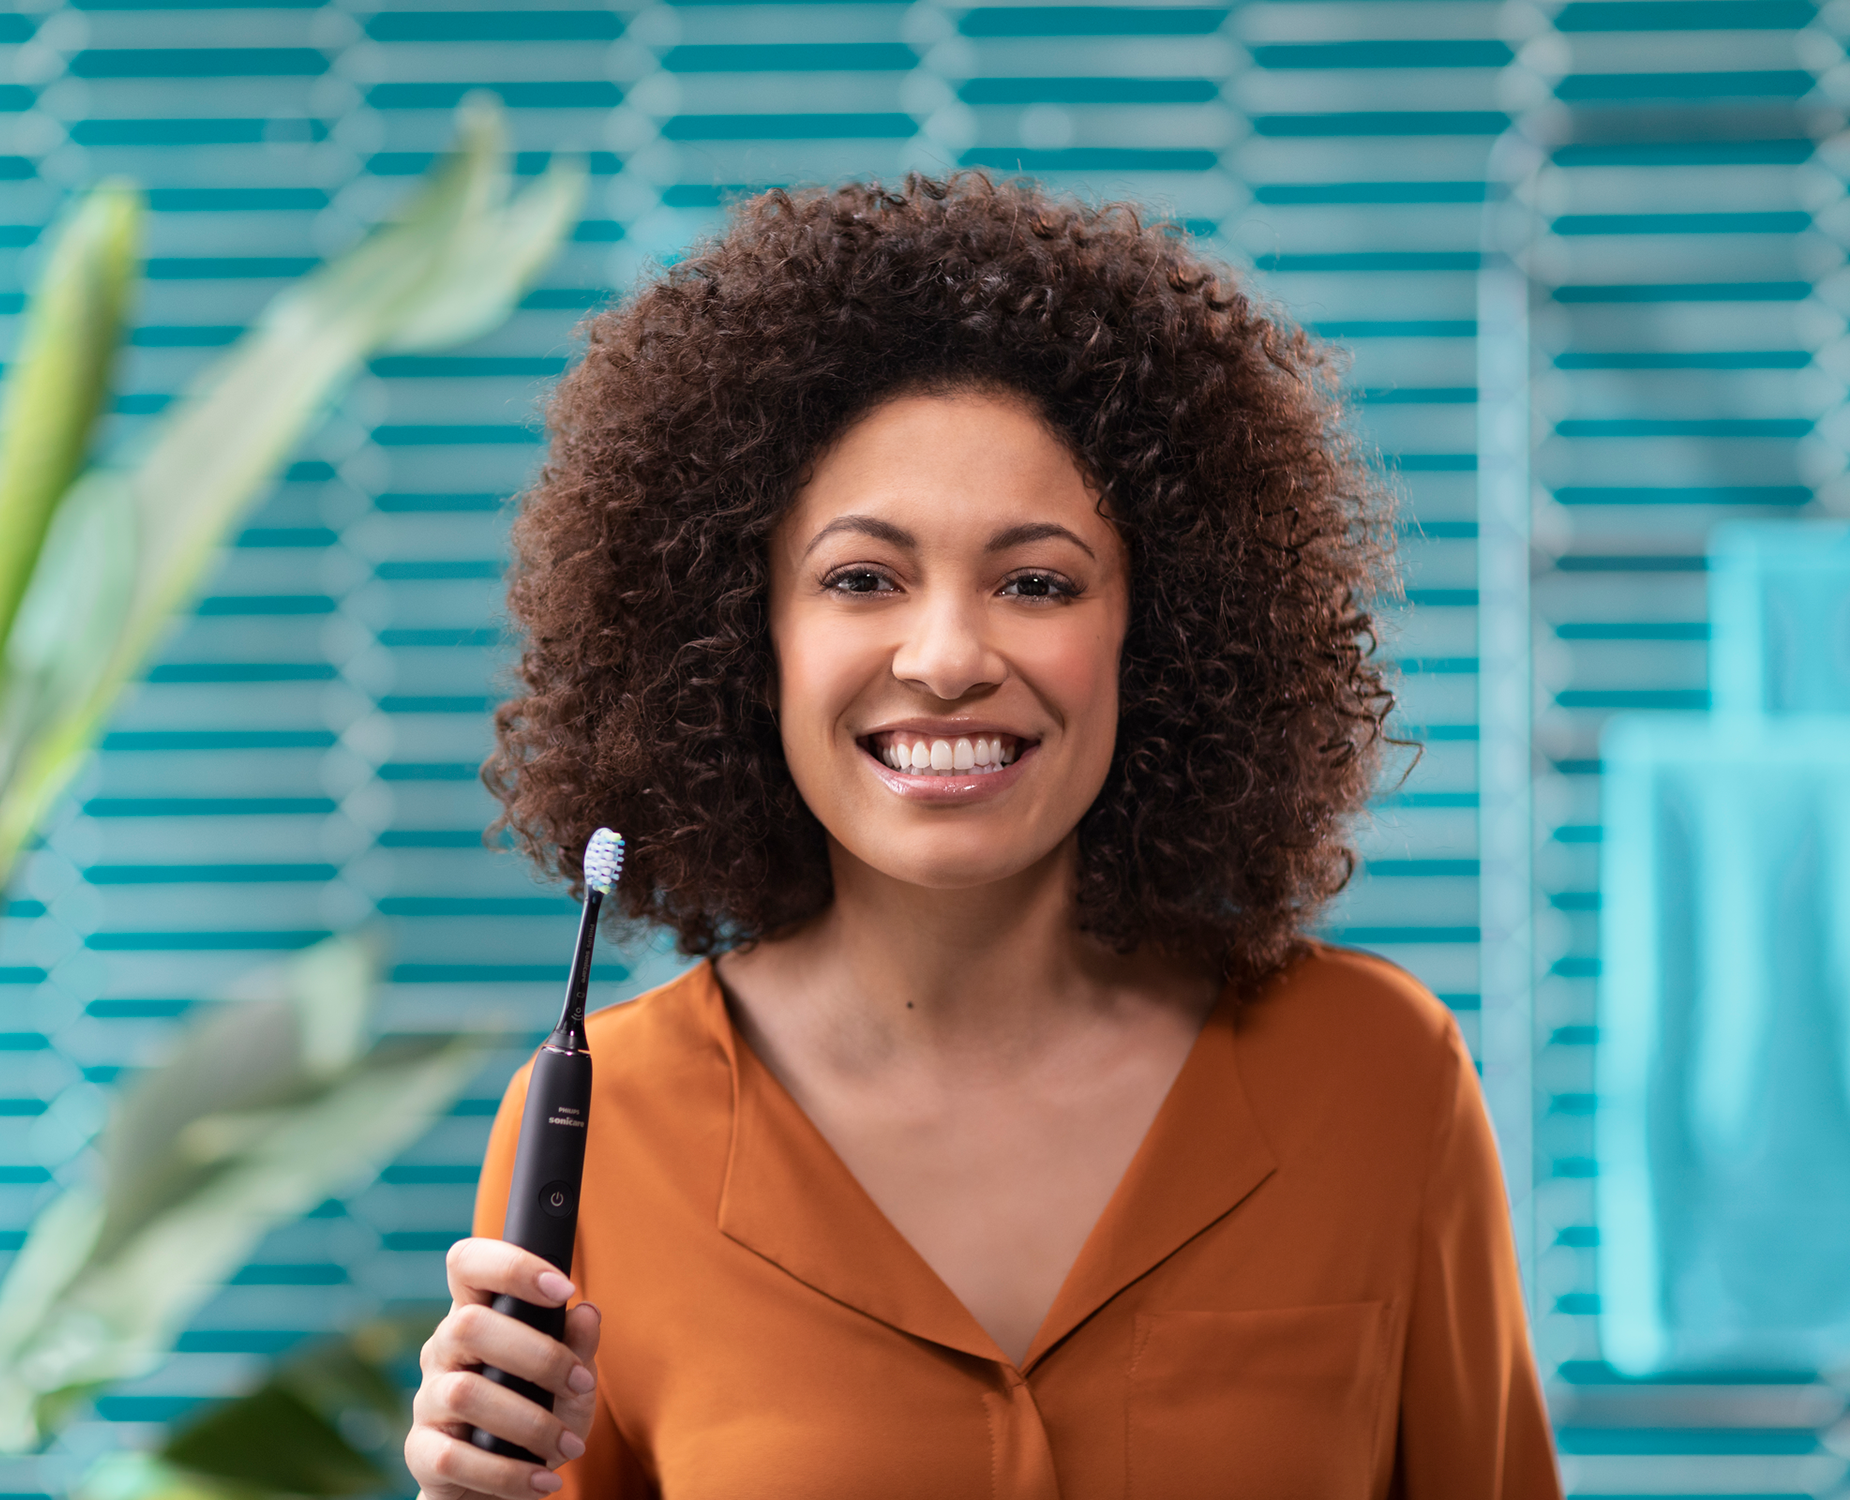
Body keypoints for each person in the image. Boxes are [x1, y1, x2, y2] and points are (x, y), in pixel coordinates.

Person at [403, 174, 1561, 1500]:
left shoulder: (1374, 1079)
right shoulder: (602, 1129)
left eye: (1035, 581)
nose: (947, 657)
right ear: (744, 639)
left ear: (1156, 633)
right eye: (860, 578)